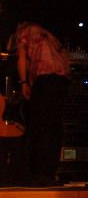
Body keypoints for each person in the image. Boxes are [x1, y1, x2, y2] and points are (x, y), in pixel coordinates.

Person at [14, 21, 70, 186]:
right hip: (61, 79)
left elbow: (21, 58)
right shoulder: (47, 35)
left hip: (44, 78)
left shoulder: (23, 32)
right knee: (54, 127)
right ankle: (50, 172)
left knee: (39, 126)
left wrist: (24, 82)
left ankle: (38, 173)